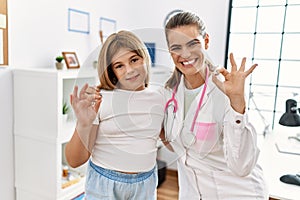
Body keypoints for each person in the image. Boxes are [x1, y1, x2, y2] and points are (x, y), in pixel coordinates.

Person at [161, 11, 268, 199]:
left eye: (192, 43)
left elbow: (241, 166)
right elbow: (182, 148)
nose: (185, 54)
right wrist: (159, 131)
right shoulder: (170, 92)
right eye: (176, 47)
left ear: (206, 41)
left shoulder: (225, 89)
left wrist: (237, 103)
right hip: (193, 193)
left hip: (237, 193)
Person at [65, 30, 165, 200]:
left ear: (144, 58)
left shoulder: (159, 99)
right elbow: (74, 161)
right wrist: (83, 124)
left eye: (134, 60)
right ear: (111, 71)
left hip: (145, 184)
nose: (130, 70)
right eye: (119, 65)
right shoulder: (100, 100)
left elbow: (168, 138)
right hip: (104, 184)